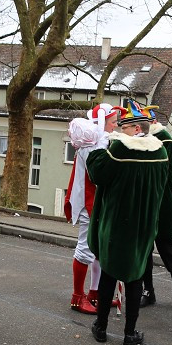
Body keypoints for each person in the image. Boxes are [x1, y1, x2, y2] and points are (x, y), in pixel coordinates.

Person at [86, 101, 170, 345]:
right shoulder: (161, 152)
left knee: (109, 274)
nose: (117, 132)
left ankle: (101, 327)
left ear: (133, 128)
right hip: (144, 224)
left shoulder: (119, 151)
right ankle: (130, 333)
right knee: (136, 277)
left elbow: (96, 173)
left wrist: (99, 148)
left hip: (116, 223)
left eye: (122, 127)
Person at [64, 104, 120, 314]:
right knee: (85, 249)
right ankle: (77, 297)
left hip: (99, 201)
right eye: (113, 122)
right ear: (101, 123)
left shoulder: (101, 141)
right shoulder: (91, 144)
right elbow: (99, 172)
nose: (116, 126)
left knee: (98, 250)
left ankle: (95, 293)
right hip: (89, 201)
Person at [140, 107, 172, 310]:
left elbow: (162, 173)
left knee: (167, 246)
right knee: (144, 249)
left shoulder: (165, 140)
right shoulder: (140, 139)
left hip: (163, 202)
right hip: (145, 202)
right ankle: (148, 290)